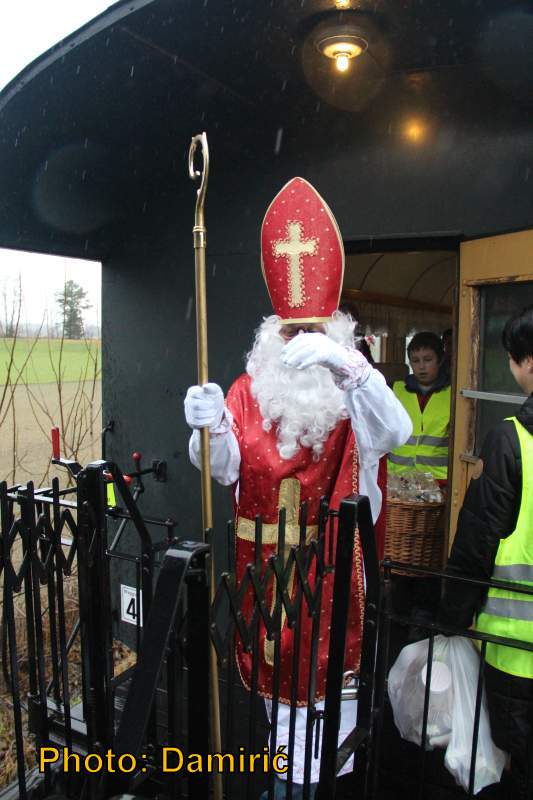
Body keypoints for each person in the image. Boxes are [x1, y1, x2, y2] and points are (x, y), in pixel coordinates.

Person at [184, 177, 412, 798]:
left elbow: (398, 430)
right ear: (270, 335)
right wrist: (205, 423)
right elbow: (223, 465)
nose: (297, 343)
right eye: (290, 332)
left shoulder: (352, 396)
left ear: (334, 332)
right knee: (278, 732)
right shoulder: (248, 386)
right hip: (265, 593)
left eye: (311, 332)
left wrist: (347, 365)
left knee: (320, 744)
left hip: (329, 591)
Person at [439, 305, 533, 799]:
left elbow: (478, 540)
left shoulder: (510, 441)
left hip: (517, 655)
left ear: (529, 363)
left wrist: (451, 615)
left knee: (514, 765)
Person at [388, 331, 451, 483]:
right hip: (397, 479)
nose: (422, 367)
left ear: (440, 360)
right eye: (415, 361)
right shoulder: (394, 390)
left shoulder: (453, 394)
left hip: (438, 481)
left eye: (428, 360)